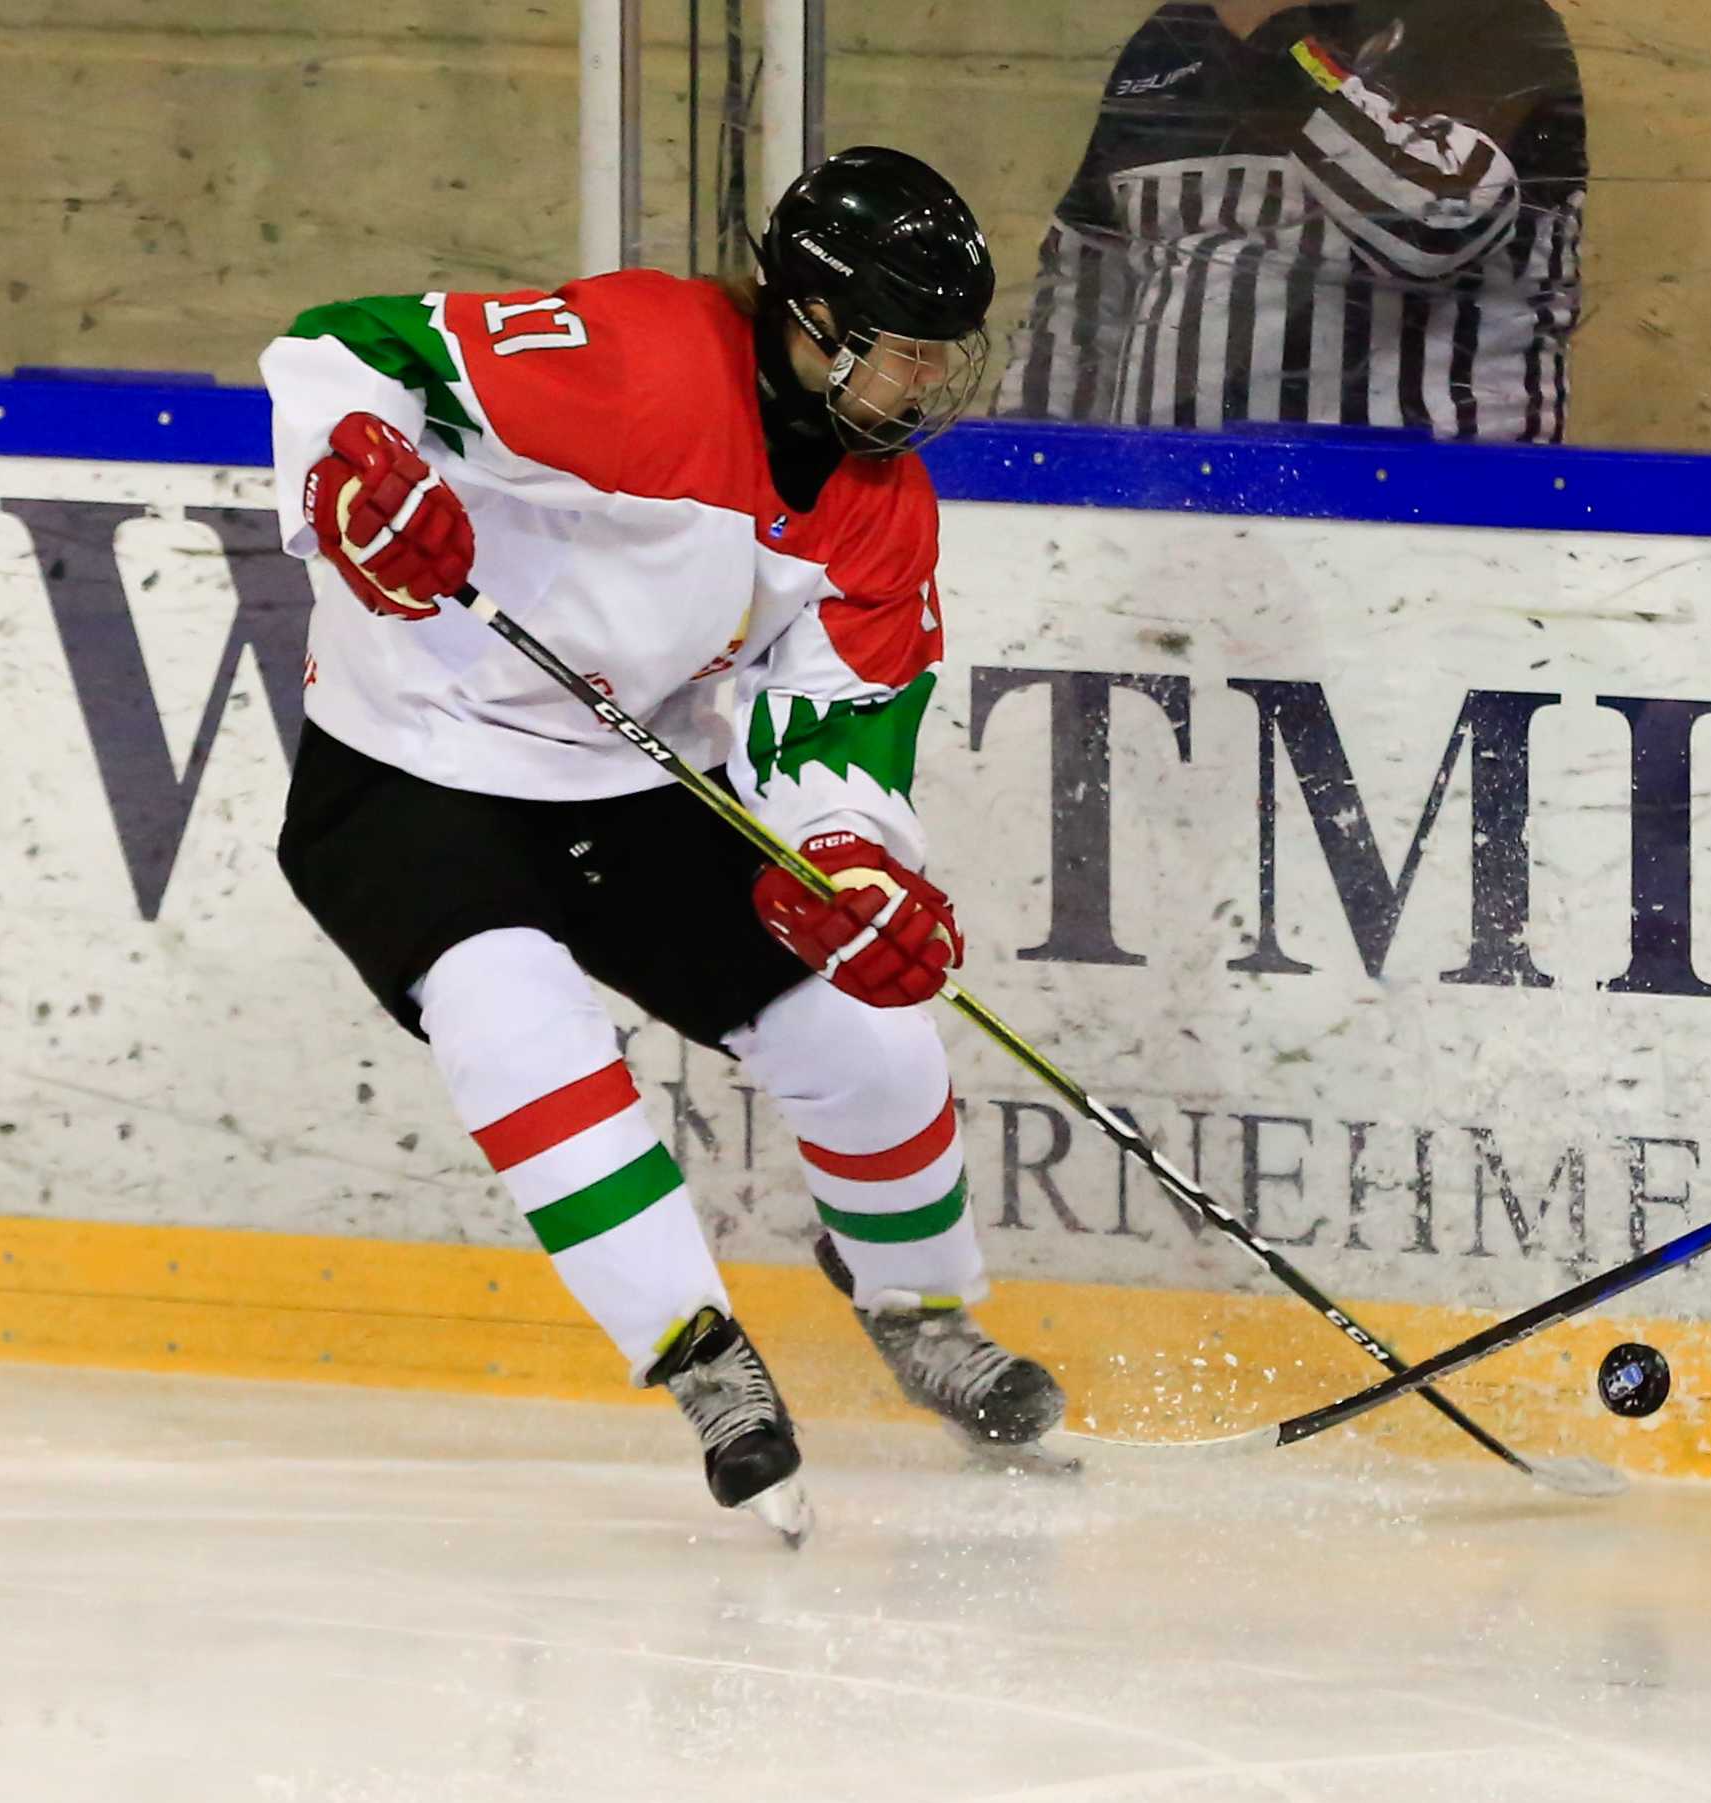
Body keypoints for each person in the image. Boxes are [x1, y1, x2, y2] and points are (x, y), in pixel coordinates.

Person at [260, 148, 1064, 1545]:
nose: (929, 382)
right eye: (902, 349)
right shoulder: (635, 362)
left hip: (644, 776)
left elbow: (838, 723)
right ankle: (701, 1357)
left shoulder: (882, 508)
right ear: (810, 321)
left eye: (946, 353)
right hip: (414, 766)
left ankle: (921, 1309)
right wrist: (352, 470)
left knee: (867, 1036)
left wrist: (849, 863)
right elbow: (345, 348)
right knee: (517, 1024)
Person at [995, 0, 1586, 440]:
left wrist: (1279, 40)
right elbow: (1076, 300)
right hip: (1165, 514)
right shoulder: (1169, 39)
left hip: (1431, 524)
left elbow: (1438, 224)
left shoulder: (1492, 20)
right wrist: (1021, 481)